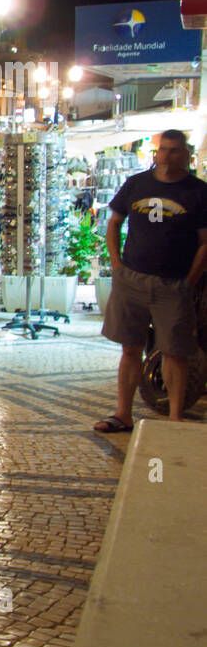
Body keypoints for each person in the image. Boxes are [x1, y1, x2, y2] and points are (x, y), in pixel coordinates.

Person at [95, 129, 207, 430]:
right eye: (162, 150)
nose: (167, 157)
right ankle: (123, 413)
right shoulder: (136, 184)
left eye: (174, 150)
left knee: (174, 351)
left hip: (173, 284)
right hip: (132, 279)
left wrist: (190, 281)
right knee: (129, 348)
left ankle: (175, 417)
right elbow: (114, 223)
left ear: (186, 154)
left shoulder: (198, 192)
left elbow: (204, 242)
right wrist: (116, 265)